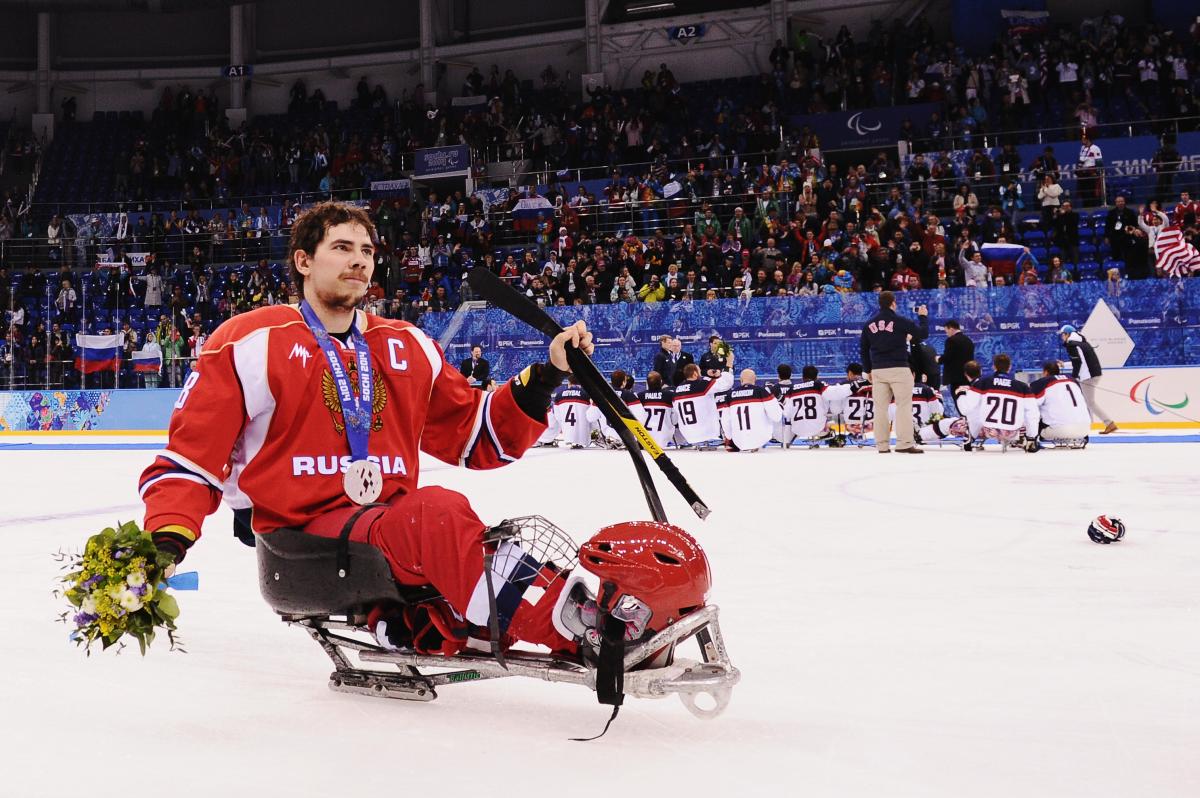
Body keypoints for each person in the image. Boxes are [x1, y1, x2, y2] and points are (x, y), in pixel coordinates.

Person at [137, 201, 617, 662]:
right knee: (436, 514)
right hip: (300, 542)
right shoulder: (248, 341)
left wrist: (549, 372)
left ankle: (463, 619)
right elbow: (192, 460)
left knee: (450, 528)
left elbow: (476, 435)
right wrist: (164, 545)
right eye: (343, 248)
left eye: (367, 251)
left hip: (390, 527)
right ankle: (588, 634)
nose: (360, 261)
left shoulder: (406, 344)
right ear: (303, 261)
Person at [859, 291, 929, 453]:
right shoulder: (900, 321)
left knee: (880, 408)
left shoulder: (869, 324)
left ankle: (882, 445)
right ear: (893, 303)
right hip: (899, 367)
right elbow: (923, 334)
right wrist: (923, 316)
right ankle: (904, 443)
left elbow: (864, 349)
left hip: (878, 369)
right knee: (903, 405)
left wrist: (867, 369)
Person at [1058, 324, 1118, 434]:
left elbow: (1078, 362)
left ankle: (1108, 423)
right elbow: (1080, 361)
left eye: (1062, 335)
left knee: (1090, 403)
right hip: (1093, 374)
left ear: (1067, 334)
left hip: (1087, 376)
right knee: (1087, 402)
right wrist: (1064, 365)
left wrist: (1074, 377)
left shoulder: (1071, 344)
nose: (1062, 337)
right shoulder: (1081, 342)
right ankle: (1092, 424)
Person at [717, 369, 782, 452]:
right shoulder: (761, 391)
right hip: (761, 438)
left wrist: (729, 438)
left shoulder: (729, 395)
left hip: (738, 441)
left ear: (740, 380)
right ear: (755, 379)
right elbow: (777, 417)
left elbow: (725, 421)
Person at [1029, 361, 1092, 447]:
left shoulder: (1042, 382)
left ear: (1045, 372)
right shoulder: (1074, 381)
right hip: (1085, 429)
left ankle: (1028, 441)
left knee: (1032, 415)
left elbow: (1031, 405)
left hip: (1060, 430)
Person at [672, 362, 734, 447]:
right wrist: (728, 367)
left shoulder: (677, 390)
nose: (700, 374)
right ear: (694, 374)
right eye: (699, 372)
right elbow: (726, 384)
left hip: (688, 437)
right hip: (707, 435)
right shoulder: (701, 384)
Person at [940, 319, 975, 413]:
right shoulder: (968, 340)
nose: (946, 333)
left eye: (946, 331)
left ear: (951, 328)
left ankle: (964, 423)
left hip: (956, 378)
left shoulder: (951, 340)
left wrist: (938, 359)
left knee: (959, 403)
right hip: (968, 377)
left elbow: (948, 357)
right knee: (968, 403)